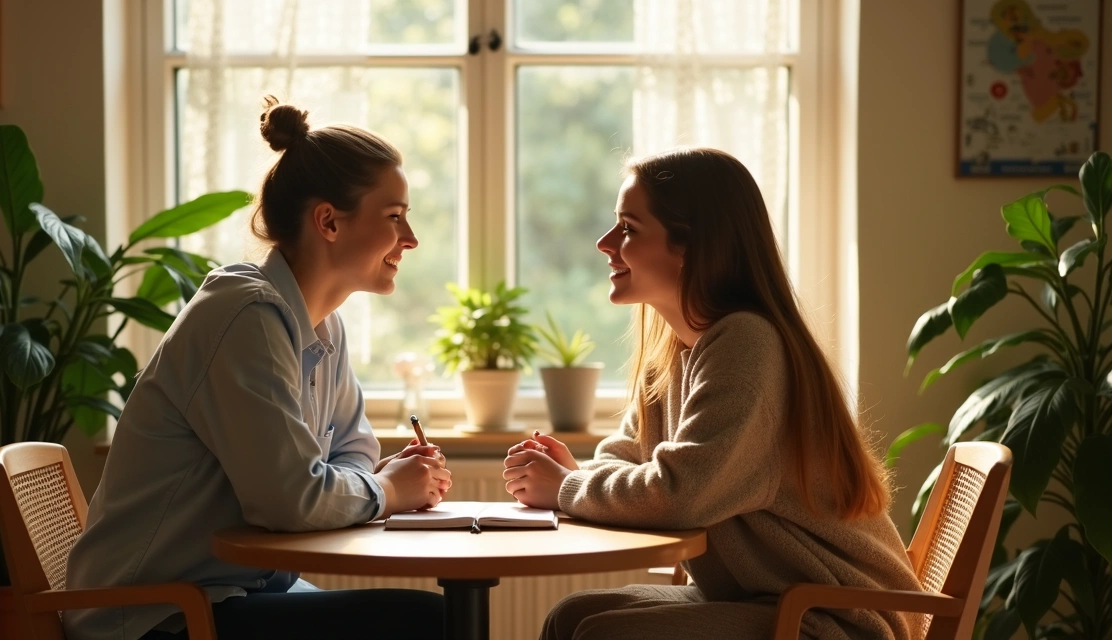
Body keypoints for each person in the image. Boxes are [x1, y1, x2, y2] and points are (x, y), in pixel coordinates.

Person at [65, 97, 451, 640]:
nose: (410, 238)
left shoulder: (323, 325)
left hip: (239, 591)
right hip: (156, 616)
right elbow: (291, 500)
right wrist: (387, 490)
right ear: (328, 222)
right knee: (422, 621)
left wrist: (380, 480)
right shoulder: (246, 316)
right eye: (394, 217)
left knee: (418, 617)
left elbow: (352, 452)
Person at [503, 148, 924, 640]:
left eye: (629, 229)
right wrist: (574, 475)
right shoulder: (676, 349)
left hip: (836, 617)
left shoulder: (747, 343)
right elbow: (626, 456)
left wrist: (565, 487)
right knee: (571, 617)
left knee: (602, 635)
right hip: (769, 598)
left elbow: (681, 495)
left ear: (692, 246)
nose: (604, 243)